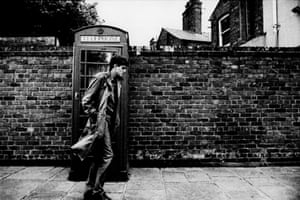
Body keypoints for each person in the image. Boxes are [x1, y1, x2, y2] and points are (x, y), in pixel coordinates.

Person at [81, 55, 128, 200]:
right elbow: (86, 100)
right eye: (123, 68)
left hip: (110, 122)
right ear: (114, 66)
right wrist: (95, 117)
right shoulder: (101, 78)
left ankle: (89, 190)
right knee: (108, 155)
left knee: (98, 157)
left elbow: (114, 104)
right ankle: (97, 191)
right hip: (101, 122)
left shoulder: (118, 83)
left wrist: (117, 118)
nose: (124, 71)